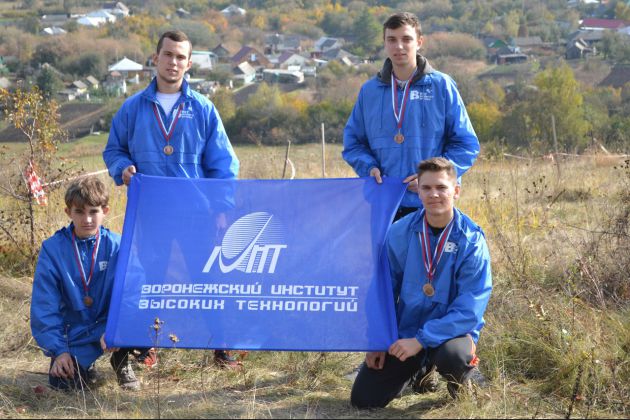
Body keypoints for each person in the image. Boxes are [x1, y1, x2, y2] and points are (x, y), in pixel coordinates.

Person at [102, 30, 241, 368]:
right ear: (156, 58)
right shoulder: (133, 108)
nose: (173, 62)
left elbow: (223, 163)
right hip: (151, 213)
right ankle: (147, 345)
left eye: (180, 57)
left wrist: (221, 208)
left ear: (189, 64)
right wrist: (122, 168)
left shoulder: (203, 108)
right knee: (151, 280)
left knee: (207, 279)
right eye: (168, 54)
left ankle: (221, 346)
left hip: (196, 214)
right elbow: (114, 150)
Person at [350, 157, 492, 409]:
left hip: (451, 335)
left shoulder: (471, 240)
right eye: (426, 188)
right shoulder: (399, 231)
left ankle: (463, 382)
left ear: (456, 191)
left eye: (441, 187)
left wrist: (421, 340)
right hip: (407, 333)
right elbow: (382, 292)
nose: (434, 194)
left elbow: (469, 310)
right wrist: (378, 341)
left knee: (453, 356)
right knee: (364, 399)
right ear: (418, 191)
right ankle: (420, 370)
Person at [342, 12, 479, 221]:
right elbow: (353, 144)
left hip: (431, 203)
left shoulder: (441, 86)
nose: (399, 46)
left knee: (432, 245)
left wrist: (433, 178)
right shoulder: (369, 91)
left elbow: (466, 145)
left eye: (406, 39)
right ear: (385, 43)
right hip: (384, 203)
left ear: (419, 42)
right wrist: (368, 168)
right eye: (392, 40)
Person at [30, 176, 152, 391]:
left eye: (93, 212)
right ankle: (85, 362)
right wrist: (60, 351)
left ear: (105, 211)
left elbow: (135, 293)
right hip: (75, 332)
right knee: (65, 384)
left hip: (110, 325)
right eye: (79, 212)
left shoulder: (119, 245)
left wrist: (116, 329)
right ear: (68, 212)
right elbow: (44, 306)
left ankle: (121, 359)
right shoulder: (52, 249)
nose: (87, 219)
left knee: (148, 319)